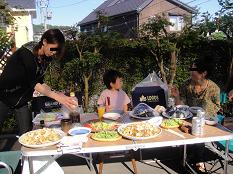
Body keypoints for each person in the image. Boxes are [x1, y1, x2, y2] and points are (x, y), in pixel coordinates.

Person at [0, 29, 78, 135]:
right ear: (44, 42)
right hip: (3, 97)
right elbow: (33, 83)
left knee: (27, 133)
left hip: (20, 101)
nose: (54, 52)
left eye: (57, 50)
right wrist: (57, 97)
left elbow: (40, 82)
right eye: (53, 48)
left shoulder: (45, 59)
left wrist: (60, 95)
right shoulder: (26, 54)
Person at [170, 58, 220, 171]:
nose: (191, 71)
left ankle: (198, 162)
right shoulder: (186, 85)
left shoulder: (214, 88)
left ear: (204, 73)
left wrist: (208, 116)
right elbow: (181, 106)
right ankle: (186, 159)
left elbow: (216, 106)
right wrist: (177, 96)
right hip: (187, 119)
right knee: (183, 136)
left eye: (194, 69)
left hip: (205, 121)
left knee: (199, 138)